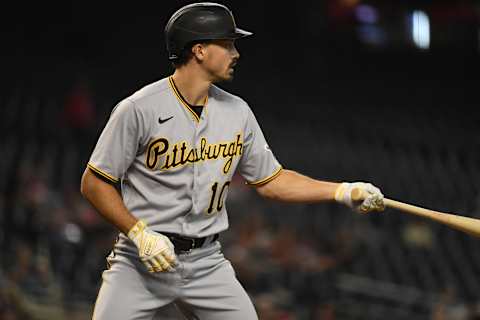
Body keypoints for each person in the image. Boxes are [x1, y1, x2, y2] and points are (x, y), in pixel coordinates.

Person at [80, 2, 385, 319]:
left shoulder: (237, 112)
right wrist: (139, 233)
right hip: (140, 260)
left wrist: (343, 191)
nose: (236, 53)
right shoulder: (138, 108)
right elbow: (94, 182)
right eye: (227, 44)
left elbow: (272, 181)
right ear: (198, 50)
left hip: (206, 263)